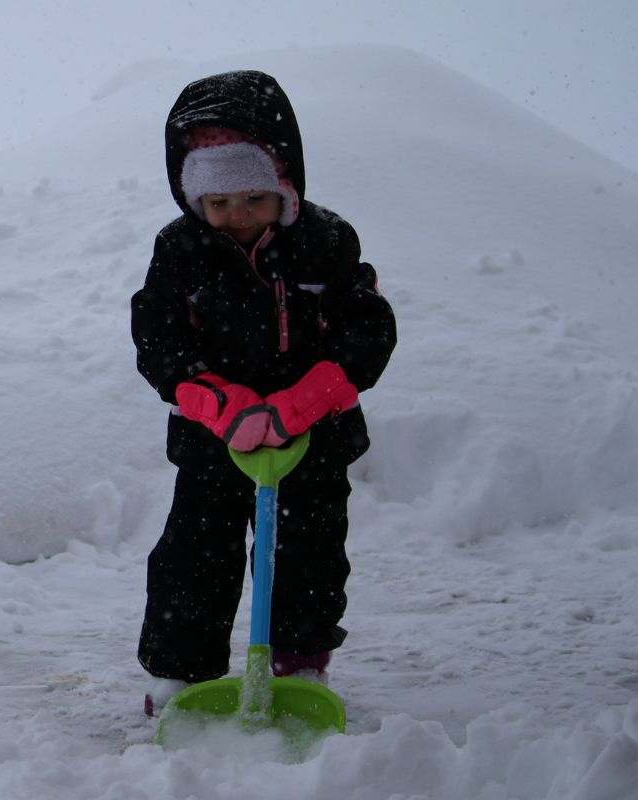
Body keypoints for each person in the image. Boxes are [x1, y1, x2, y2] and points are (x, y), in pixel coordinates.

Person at [130, 70, 397, 715]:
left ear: (283, 185)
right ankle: (180, 675)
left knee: (307, 554)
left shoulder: (326, 241)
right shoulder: (180, 249)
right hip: (213, 439)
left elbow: (368, 328)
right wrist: (218, 404)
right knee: (195, 554)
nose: (236, 218)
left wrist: (301, 403)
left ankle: (300, 664)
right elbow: (158, 338)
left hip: (313, 434)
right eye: (216, 205)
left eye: (252, 199)